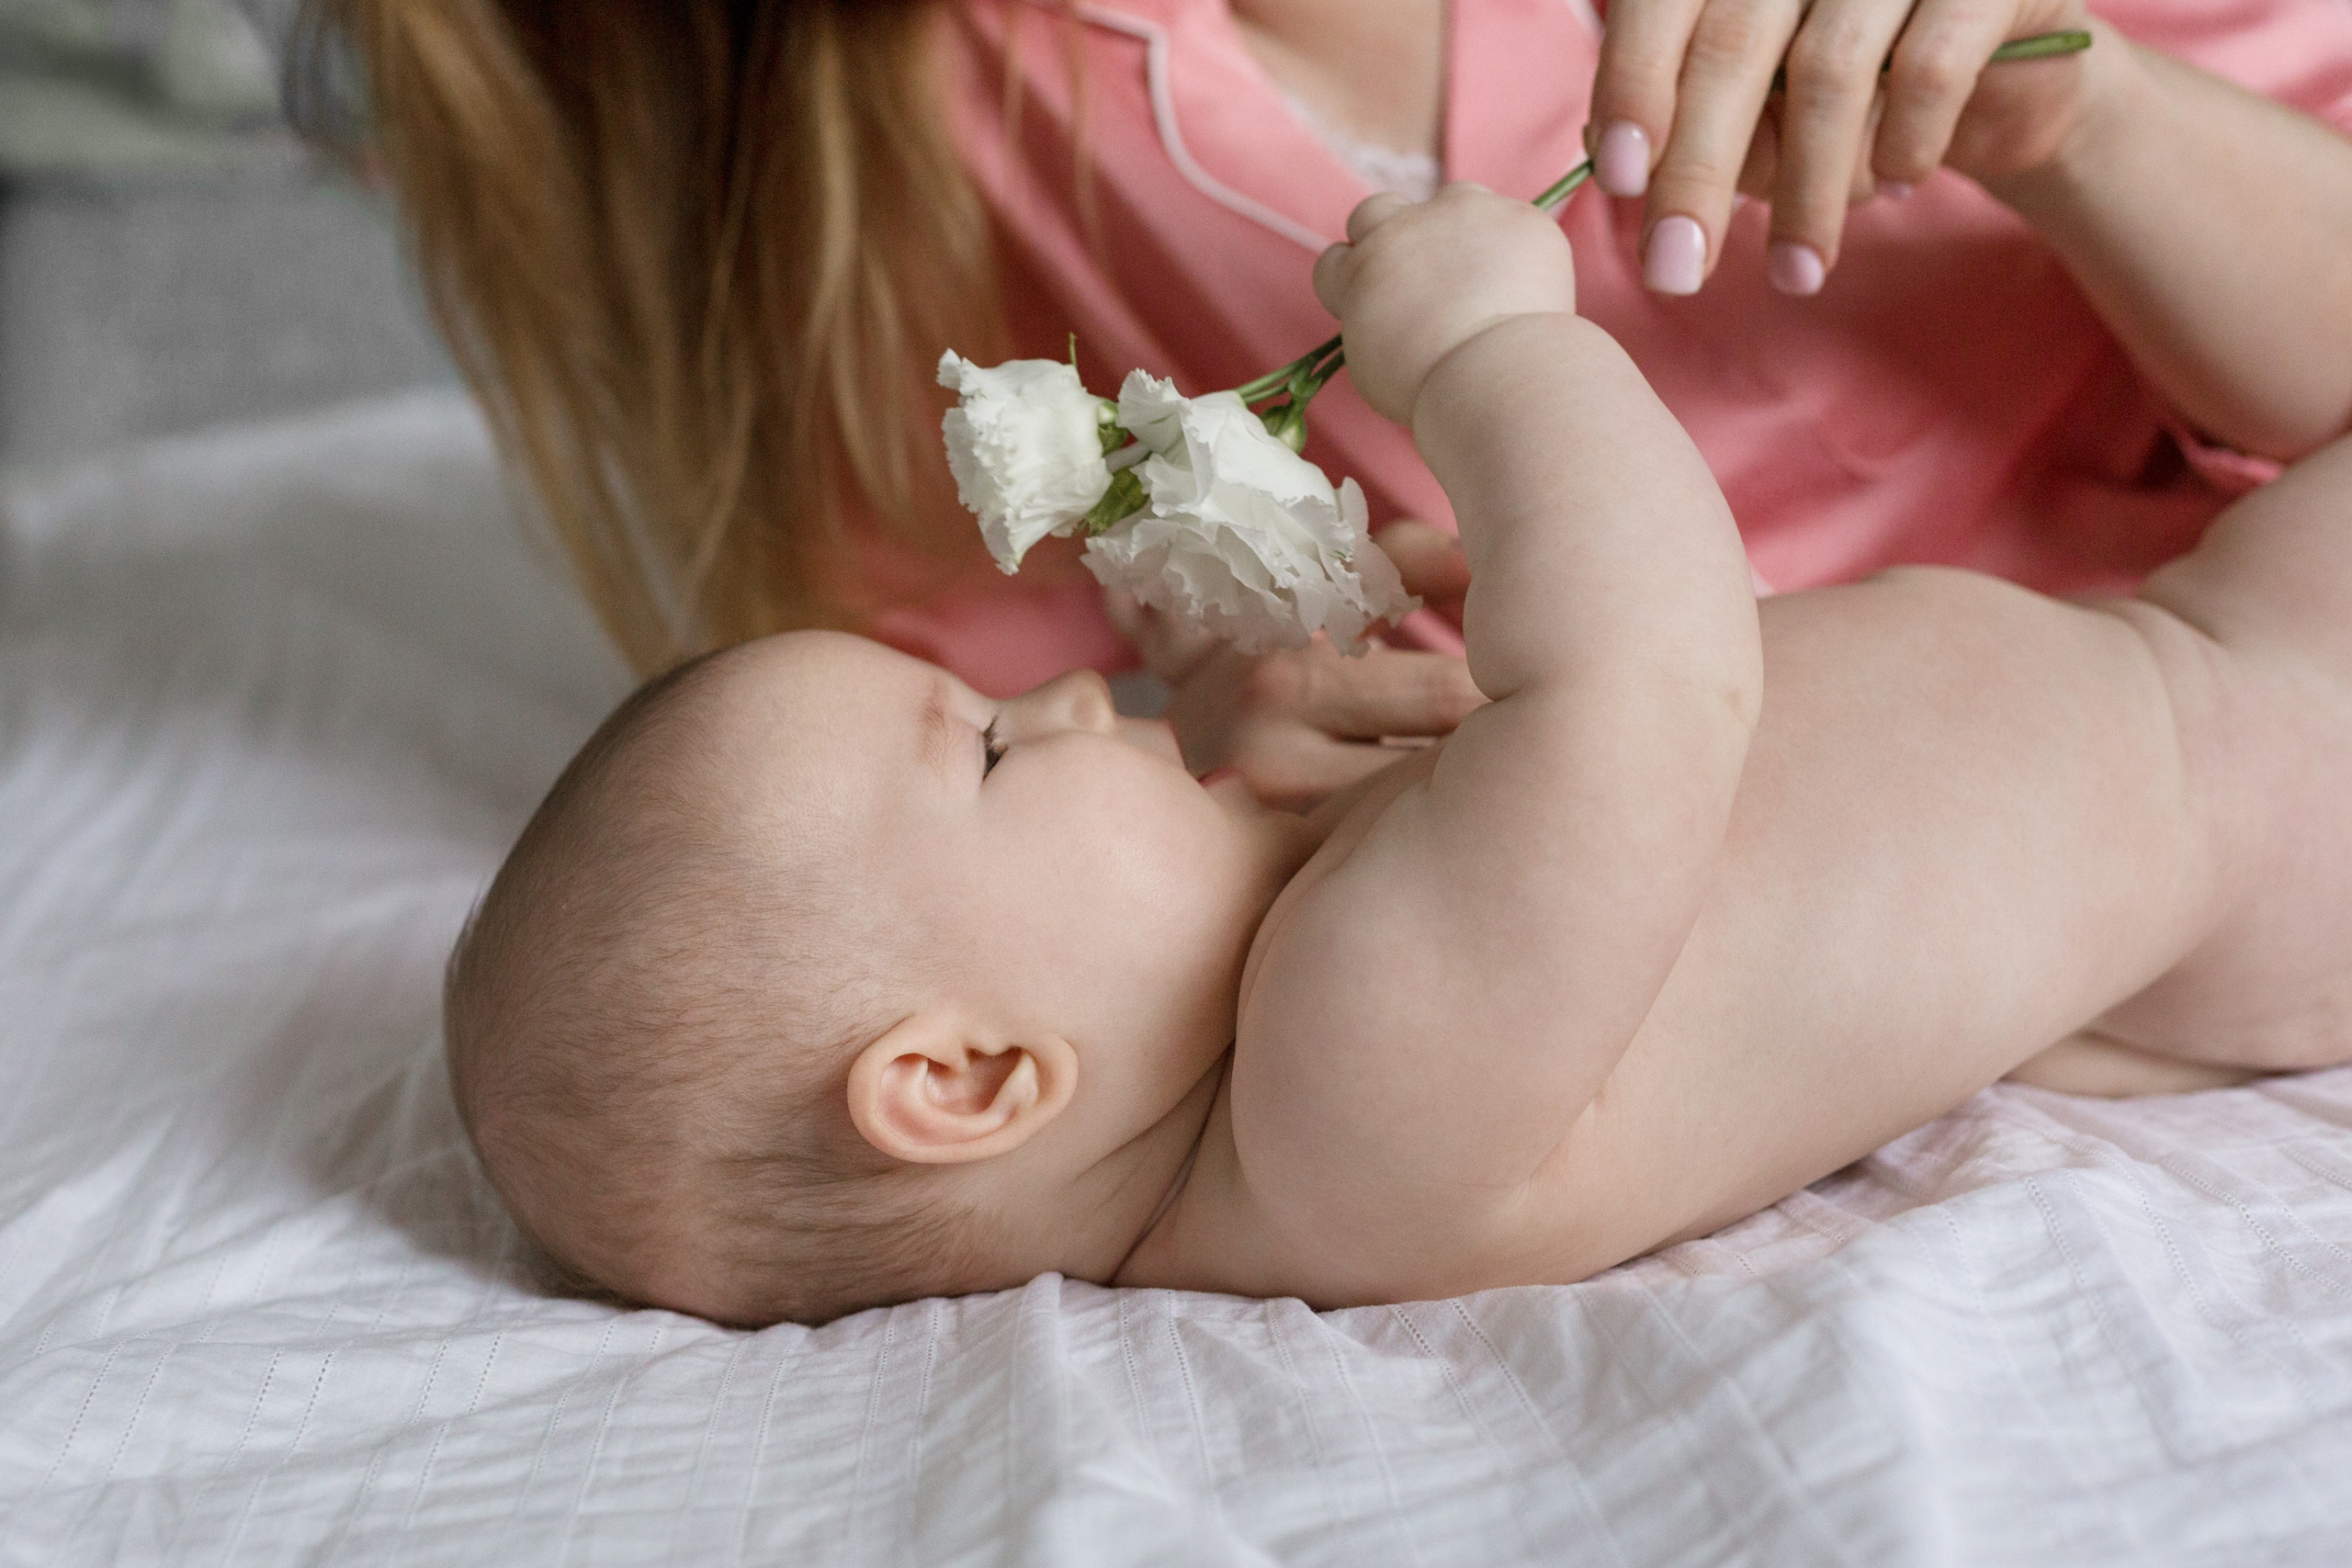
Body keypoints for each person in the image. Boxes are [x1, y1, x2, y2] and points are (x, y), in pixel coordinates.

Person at [441, 184, 2352, 1326]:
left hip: (2201, 698)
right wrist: (1484, 353)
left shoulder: (1288, 1038)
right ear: (965, 1077)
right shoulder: (1350, 1108)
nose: (1074, 701)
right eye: (1002, 754)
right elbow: (1642, 682)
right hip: (2278, 777)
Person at [303, 0, 2352, 807]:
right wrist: (1208, 742)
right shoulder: (882, 131)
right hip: (1654, 851)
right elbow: (998, 716)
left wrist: (2076, 117)